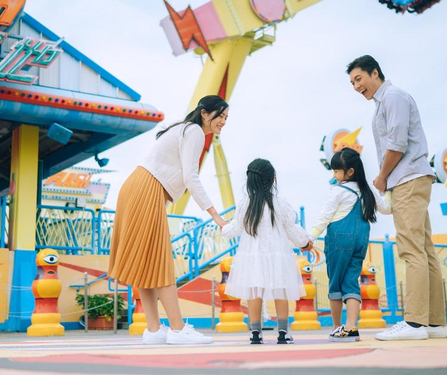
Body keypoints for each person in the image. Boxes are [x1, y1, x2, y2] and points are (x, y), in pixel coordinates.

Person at [108, 95, 229, 345]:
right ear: (205, 113)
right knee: (159, 260)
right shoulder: (195, 131)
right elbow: (190, 177)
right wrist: (215, 215)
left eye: (226, 118)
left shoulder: (182, 129)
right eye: (221, 116)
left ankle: (154, 330)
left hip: (137, 186)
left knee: (146, 263)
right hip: (148, 189)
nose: (224, 122)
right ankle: (177, 328)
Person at [346, 55, 447, 341]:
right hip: (413, 178)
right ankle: (435, 324)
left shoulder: (392, 97)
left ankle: (415, 324)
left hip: (407, 179)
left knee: (411, 250)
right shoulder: (385, 102)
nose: (356, 86)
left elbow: (397, 143)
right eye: (352, 82)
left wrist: (381, 177)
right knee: (424, 249)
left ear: (374, 72)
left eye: (359, 79)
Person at [221, 158, 313, 345]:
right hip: (278, 255)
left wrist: (223, 227)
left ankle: (256, 334)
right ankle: (283, 333)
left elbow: (234, 229)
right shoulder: (279, 204)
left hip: (253, 257)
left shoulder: (244, 204)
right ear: (272, 180)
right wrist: (306, 242)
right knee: (281, 291)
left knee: (255, 293)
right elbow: (292, 228)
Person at [309, 148, 390, 342]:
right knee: (351, 282)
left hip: (339, 240)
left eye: (337, 171)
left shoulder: (338, 191)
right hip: (361, 241)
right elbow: (387, 209)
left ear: (350, 172)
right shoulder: (367, 190)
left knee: (335, 282)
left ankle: (337, 328)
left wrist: (310, 237)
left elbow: (324, 217)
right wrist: (390, 191)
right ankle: (351, 327)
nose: (334, 175)